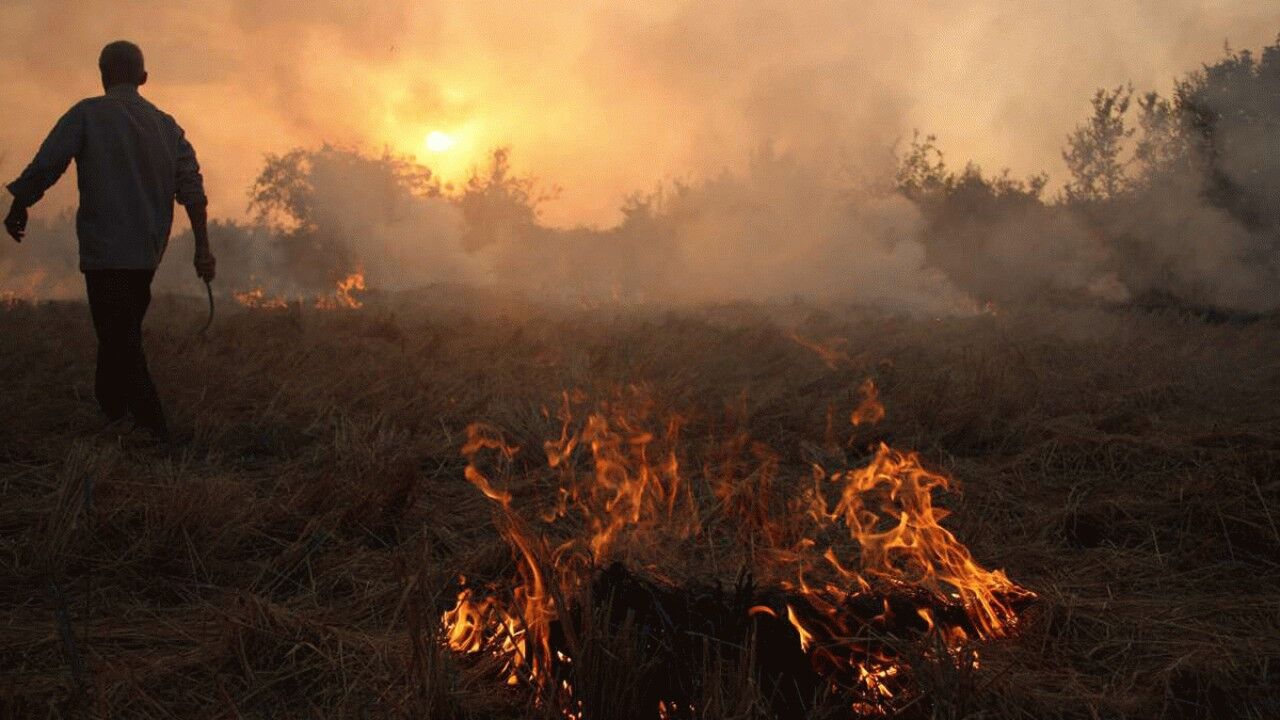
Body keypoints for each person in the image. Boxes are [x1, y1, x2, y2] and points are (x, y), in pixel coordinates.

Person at [4, 40, 215, 442]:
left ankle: (155, 430)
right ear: (143, 78)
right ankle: (113, 415)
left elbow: (48, 163)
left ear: (102, 75)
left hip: (105, 252)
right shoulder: (168, 126)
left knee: (120, 338)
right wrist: (202, 248)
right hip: (147, 253)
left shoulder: (87, 113)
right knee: (119, 331)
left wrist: (20, 203)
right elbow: (192, 189)